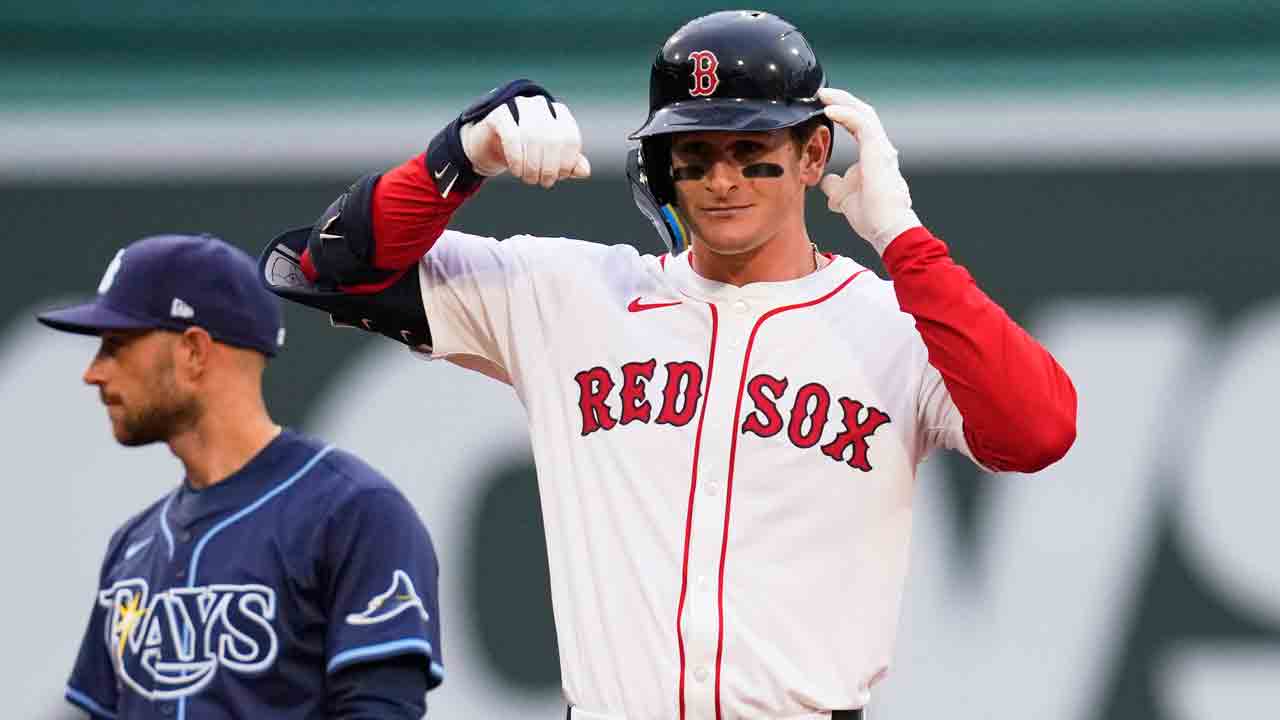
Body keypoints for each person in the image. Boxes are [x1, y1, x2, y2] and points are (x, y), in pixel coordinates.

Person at [261, 10, 1077, 720]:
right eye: (693, 151)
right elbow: (324, 265)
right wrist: (462, 153)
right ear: (661, 165)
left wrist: (903, 239)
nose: (721, 179)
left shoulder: (894, 325)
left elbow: (1036, 431)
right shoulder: (570, 294)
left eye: (751, 147)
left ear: (813, 152)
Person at [39, 234, 443, 719]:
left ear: (193, 351)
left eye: (116, 345)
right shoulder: (131, 546)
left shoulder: (354, 514)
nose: (93, 372)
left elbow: (381, 709)